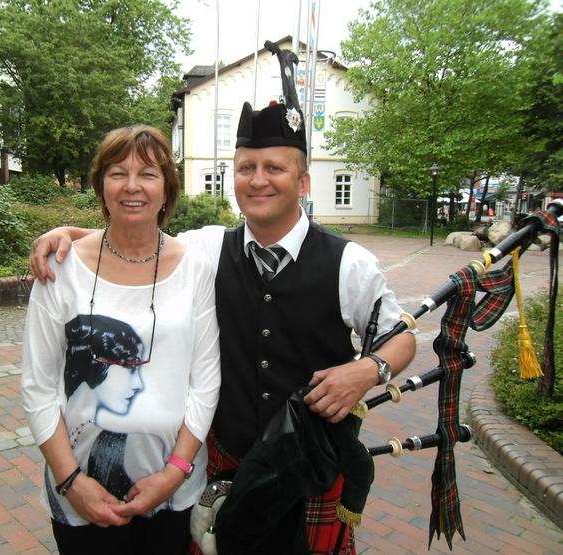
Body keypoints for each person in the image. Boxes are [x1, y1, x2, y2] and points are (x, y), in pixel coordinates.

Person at [29, 90, 415, 555]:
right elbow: (135, 234)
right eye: (246, 168)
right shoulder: (208, 248)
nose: (258, 180)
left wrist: (369, 370)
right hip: (228, 461)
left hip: (308, 463)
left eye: (274, 168)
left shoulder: (349, 263)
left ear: (304, 180)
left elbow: (401, 338)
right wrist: (66, 235)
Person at [22, 125, 221, 555]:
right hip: (78, 489)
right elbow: (37, 388)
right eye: (118, 173)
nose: (132, 186)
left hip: (173, 488)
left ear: (167, 191)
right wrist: (72, 482)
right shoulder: (59, 268)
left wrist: (174, 473)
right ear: (101, 186)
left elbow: (205, 383)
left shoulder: (196, 267)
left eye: (148, 174)